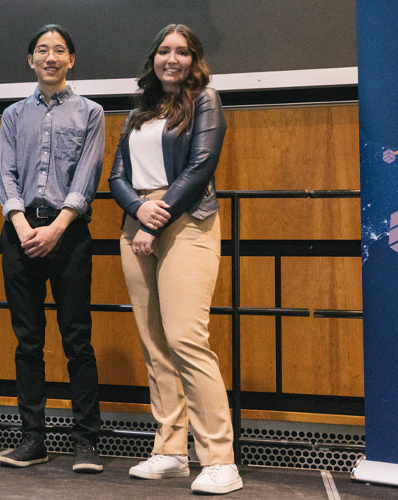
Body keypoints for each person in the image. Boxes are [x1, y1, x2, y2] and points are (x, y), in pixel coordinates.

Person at [109, 24, 243, 494]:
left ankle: (220, 460)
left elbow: (200, 166)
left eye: (182, 52)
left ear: (194, 59)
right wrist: (136, 211)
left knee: (186, 338)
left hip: (186, 220)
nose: (172, 59)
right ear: (154, 58)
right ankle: (168, 450)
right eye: (164, 50)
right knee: (154, 343)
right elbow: (117, 175)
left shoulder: (206, 99)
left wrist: (153, 221)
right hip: (138, 221)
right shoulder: (140, 110)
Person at [0, 24, 104, 473]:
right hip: (21, 234)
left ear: (71, 60)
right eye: (42, 50)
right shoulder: (12, 114)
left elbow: (88, 174)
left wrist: (58, 227)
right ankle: (33, 439)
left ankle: (86, 442)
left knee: (77, 339)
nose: (50, 57)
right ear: (31, 60)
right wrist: (22, 225)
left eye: (59, 50)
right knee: (28, 342)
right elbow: (6, 175)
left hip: (69, 235)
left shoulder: (91, 112)